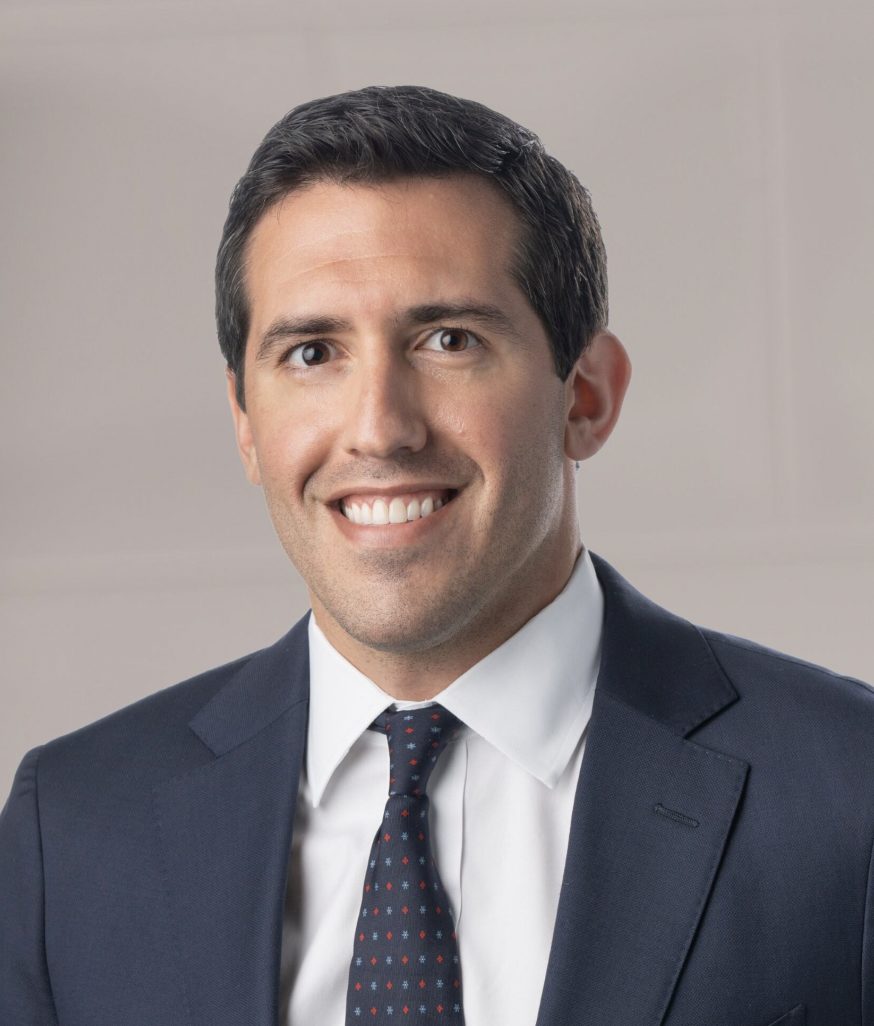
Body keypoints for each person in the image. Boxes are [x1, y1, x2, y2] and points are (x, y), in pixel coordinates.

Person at [1, 85, 872, 1026]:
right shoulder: (75, 832)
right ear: (245, 423)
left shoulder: (847, 795)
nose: (379, 428)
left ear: (586, 397)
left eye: (447, 339)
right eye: (311, 353)